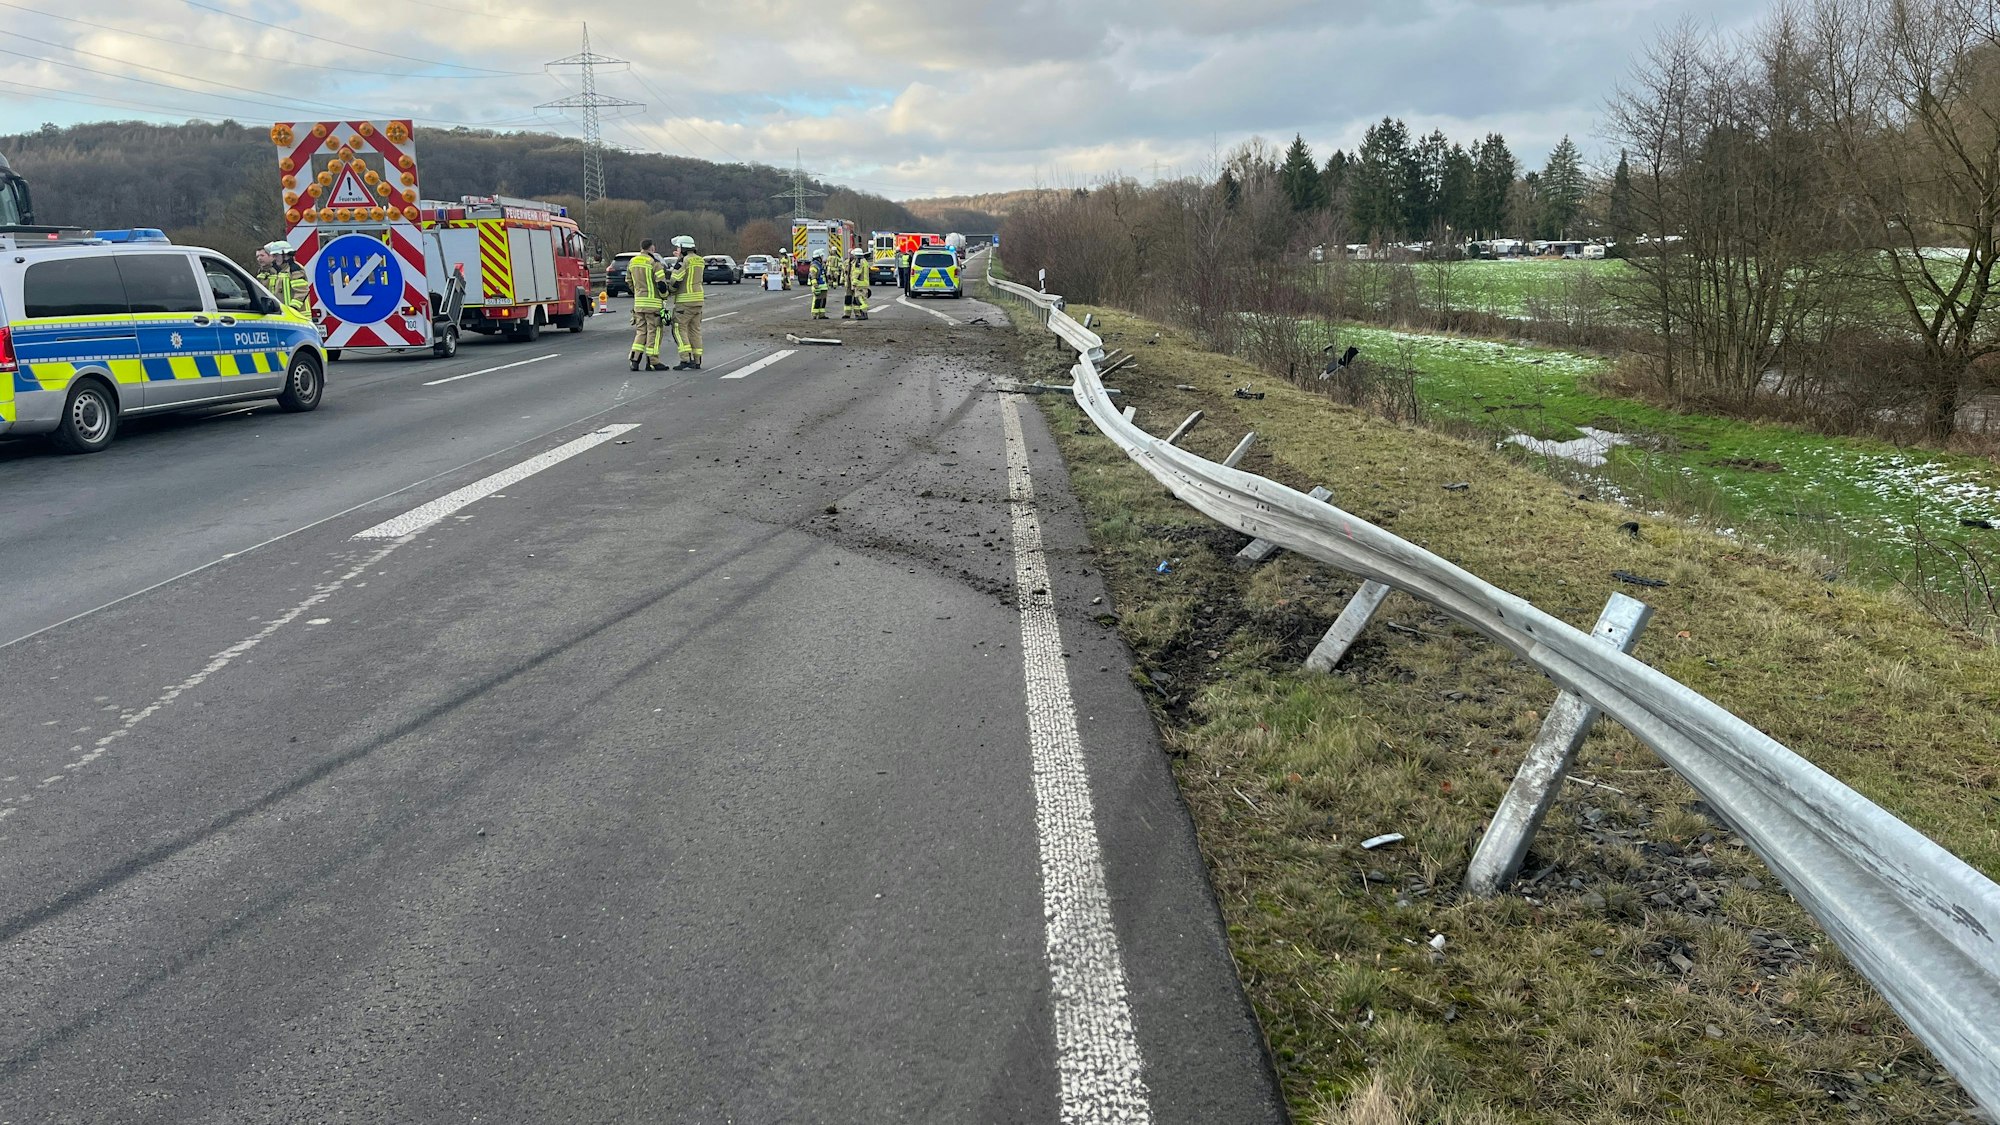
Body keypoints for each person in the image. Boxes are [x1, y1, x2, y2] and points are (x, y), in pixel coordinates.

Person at [628, 238, 668, 371]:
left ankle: (634, 359)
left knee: (641, 332)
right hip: (653, 305)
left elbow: (628, 281)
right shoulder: (654, 263)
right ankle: (653, 361)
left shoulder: (632, 262)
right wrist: (664, 297)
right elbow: (661, 285)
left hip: (638, 304)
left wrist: (637, 292)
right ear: (652, 249)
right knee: (654, 332)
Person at [666, 235, 705, 370]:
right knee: (695, 330)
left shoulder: (683, 261)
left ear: (682, 247)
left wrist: (669, 291)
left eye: (678, 247)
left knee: (678, 328)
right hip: (698, 300)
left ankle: (685, 358)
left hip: (684, 301)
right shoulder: (700, 260)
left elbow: (675, 280)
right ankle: (697, 359)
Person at [843, 247, 870, 320]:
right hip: (863, 284)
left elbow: (857, 272)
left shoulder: (858, 262)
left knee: (859, 299)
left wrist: (854, 282)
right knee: (862, 299)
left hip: (859, 284)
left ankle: (863, 314)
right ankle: (864, 314)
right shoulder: (864, 261)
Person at [808, 251, 830, 319]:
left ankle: (821, 315)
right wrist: (815, 284)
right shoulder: (814, 265)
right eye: (821, 256)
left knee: (823, 300)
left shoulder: (820, 264)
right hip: (818, 286)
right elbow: (813, 275)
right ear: (818, 257)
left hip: (823, 286)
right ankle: (815, 314)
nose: (822, 258)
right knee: (817, 301)